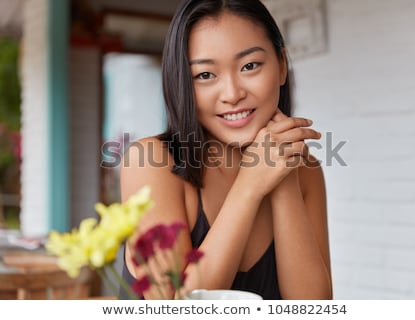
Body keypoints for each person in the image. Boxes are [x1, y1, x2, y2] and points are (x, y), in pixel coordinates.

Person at [120, 0, 332, 300]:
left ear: (282, 66)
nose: (232, 94)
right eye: (205, 75)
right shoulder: (151, 162)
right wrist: (249, 186)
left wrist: (282, 178)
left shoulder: (304, 169)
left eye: (250, 66)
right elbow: (175, 307)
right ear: (182, 83)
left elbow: (314, 308)